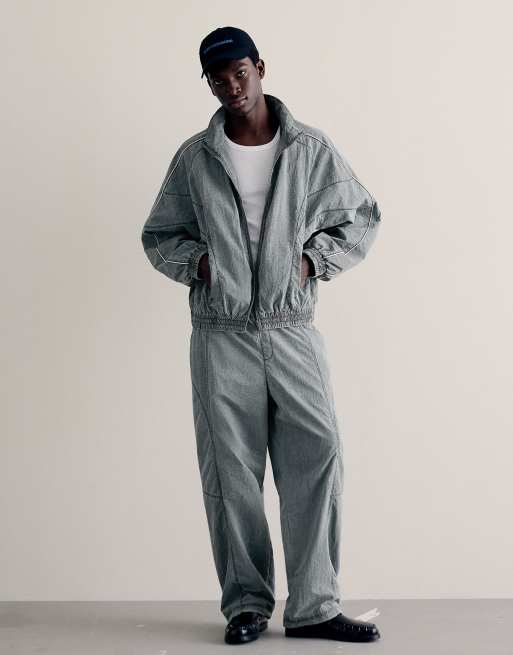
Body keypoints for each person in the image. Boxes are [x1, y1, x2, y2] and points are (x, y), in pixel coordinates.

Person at [141, 25, 382, 646]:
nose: (233, 86)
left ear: (260, 68)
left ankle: (315, 607)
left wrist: (311, 263)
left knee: (319, 453)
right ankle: (246, 605)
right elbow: (160, 234)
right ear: (209, 83)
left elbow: (360, 216)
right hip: (220, 335)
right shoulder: (195, 158)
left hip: (292, 327)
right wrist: (200, 264)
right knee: (231, 473)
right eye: (219, 78)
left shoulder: (308, 149)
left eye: (240, 72)